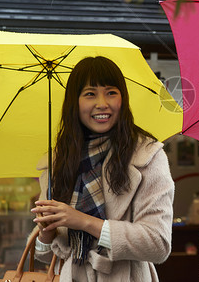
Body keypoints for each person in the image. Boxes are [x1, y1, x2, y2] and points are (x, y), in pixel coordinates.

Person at [30, 56, 174, 281]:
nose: (102, 103)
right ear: (74, 102)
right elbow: (47, 256)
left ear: (122, 99)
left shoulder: (147, 155)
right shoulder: (59, 161)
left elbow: (158, 244)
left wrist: (84, 221)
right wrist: (46, 233)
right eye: (90, 94)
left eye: (111, 92)